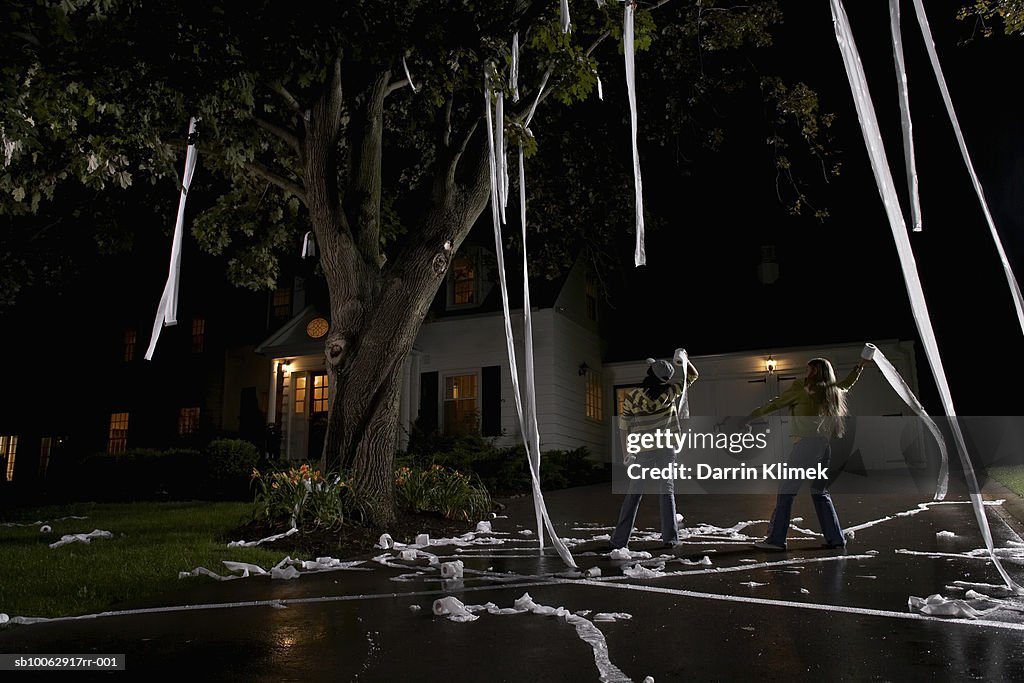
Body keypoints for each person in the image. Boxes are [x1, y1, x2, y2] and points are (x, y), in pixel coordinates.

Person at [748, 356, 868, 551]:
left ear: (814, 372)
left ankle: (776, 540)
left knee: (786, 492)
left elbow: (775, 403)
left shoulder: (802, 389)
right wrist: (860, 365)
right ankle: (836, 539)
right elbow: (846, 384)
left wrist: (749, 417)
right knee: (820, 492)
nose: (804, 373)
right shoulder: (830, 391)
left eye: (807, 370)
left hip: (805, 447)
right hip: (823, 446)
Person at [610, 351, 699, 550]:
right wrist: (685, 360)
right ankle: (670, 538)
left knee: (634, 494)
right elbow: (693, 375)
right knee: (667, 492)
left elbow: (623, 426)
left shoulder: (633, 397)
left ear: (649, 374)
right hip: (666, 449)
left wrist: (626, 452)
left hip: (644, 451)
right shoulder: (671, 391)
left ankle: (619, 540)